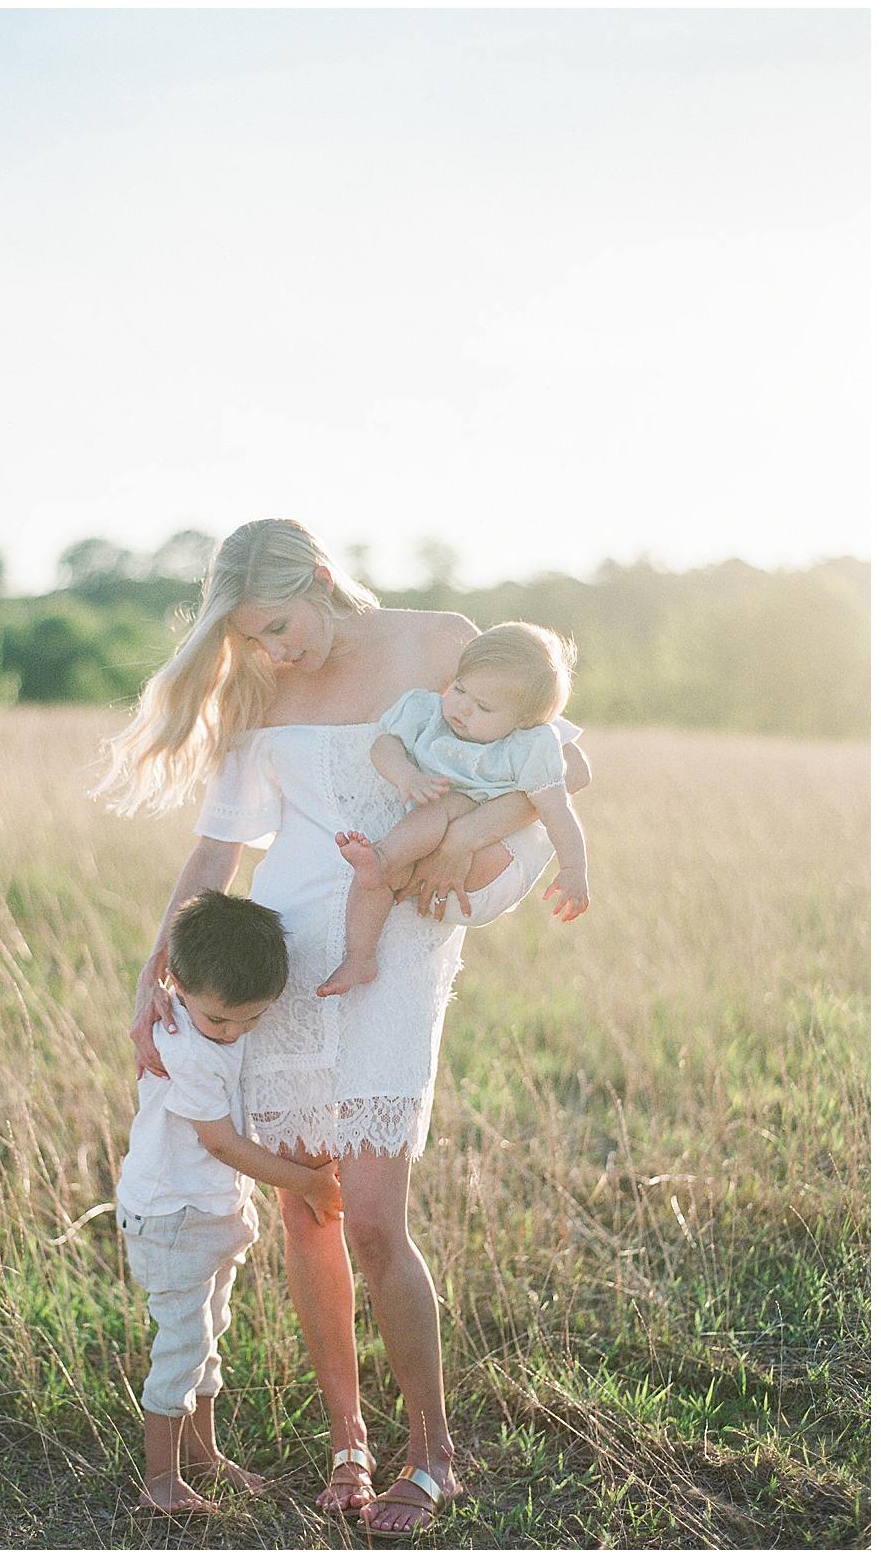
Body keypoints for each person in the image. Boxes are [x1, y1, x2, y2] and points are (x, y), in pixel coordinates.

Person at [96, 519, 590, 1537]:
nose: (274, 650)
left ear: (321, 579)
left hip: (394, 948)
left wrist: (472, 836)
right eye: (250, 637)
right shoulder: (255, 689)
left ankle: (431, 1450)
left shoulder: (440, 640)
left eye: (278, 624)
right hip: (282, 956)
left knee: (370, 1216)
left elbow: (553, 763)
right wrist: (158, 961)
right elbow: (216, 850)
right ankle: (346, 1438)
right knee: (305, 1208)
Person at [118, 891, 341, 1516]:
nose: (235, 1033)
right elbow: (219, 1142)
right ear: (175, 981)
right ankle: (160, 1481)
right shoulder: (185, 1045)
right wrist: (308, 1183)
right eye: (222, 1022)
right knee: (182, 1345)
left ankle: (202, 1455)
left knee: (210, 1334)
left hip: (211, 1213)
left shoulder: (219, 1021)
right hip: (172, 1217)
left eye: (251, 1019)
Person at [320, 622, 593, 995]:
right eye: (461, 688)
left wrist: (574, 869)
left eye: (483, 707)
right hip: (419, 832)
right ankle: (359, 958)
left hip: (474, 819)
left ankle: (381, 858)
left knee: (442, 809)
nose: (463, 707)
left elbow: (557, 811)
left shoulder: (528, 747)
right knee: (376, 881)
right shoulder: (427, 712)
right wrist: (406, 776)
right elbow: (384, 746)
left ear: (522, 723)